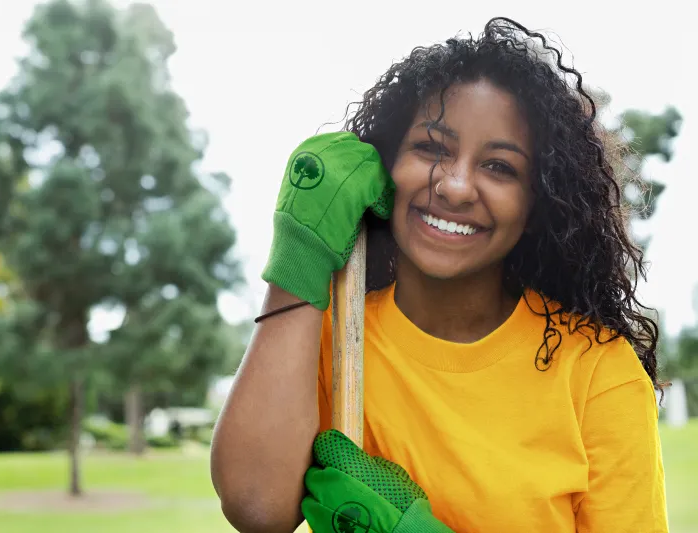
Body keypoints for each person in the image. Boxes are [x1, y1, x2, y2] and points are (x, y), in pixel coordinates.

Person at [210, 16, 668, 533]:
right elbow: (255, 508)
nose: (454, 186)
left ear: (538, 203)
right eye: (432, 148)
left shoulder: (596, 372)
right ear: (386, 168)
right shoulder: (332, 339)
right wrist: (301, 253)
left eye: (499, 167)